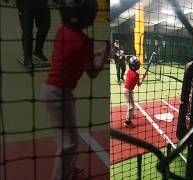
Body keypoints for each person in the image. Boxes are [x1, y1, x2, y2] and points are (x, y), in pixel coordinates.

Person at [42, 0, 107, 179]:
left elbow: (73, 53)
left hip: (50, 91)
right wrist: (104, 56)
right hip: (60, 94)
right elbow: (93, 72)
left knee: (65, 137)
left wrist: (97, 52)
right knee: (69, 143)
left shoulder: (61, 32)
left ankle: (69, 168)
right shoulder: (85, 42)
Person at [16, 0, 51, 66]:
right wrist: (20, 8)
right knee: (27, 31)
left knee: (45, 26)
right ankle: (27, 57)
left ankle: (38, 52)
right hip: (25, 6)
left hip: (42, 5)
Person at [123, 56, 147, 128]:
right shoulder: (136, 75)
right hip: (128, 91)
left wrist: (141, 77)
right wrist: (143, 77)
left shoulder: (129, 71)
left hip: (127, 90)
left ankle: (131, 115)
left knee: (132, 104)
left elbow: (135, 78)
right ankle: (127, 122)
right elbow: (139, 84)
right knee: (131, 106)